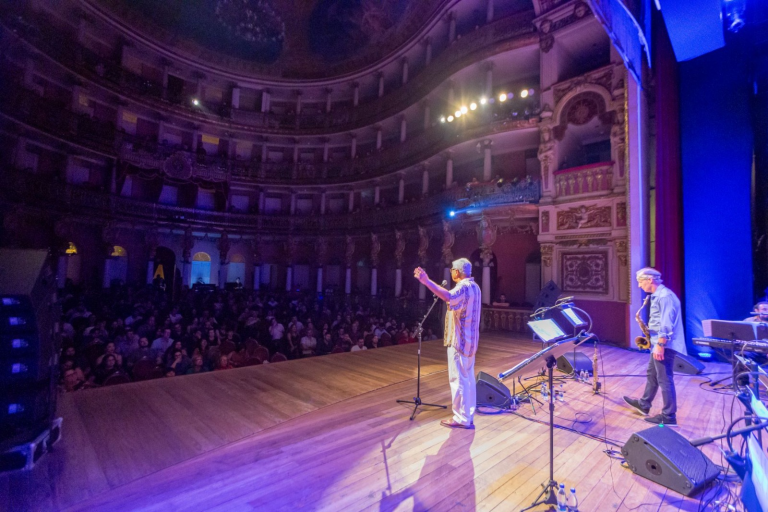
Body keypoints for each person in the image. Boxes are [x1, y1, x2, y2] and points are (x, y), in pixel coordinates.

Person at [414, 257, 481, 429]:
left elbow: (448, 297)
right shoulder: (475, 287)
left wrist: (427, 281)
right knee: (468, 380)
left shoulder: (464, 287)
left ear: (457, 272)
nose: (451, 271)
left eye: (452, 269)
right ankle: (468, 415)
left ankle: (460, 418)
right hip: (471, 342)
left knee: (458, 379)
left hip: (460, 341)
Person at [623, 268, 686, 427]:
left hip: (664, 344)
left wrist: (660, 345)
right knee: (652, 374)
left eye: (640, 281)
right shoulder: (659, 296)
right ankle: (644, 404)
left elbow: (666, 323)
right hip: (659, 342)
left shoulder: (664, 297)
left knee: (665, 379)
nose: (639, 285)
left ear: (650, 280)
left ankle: (669, 416)